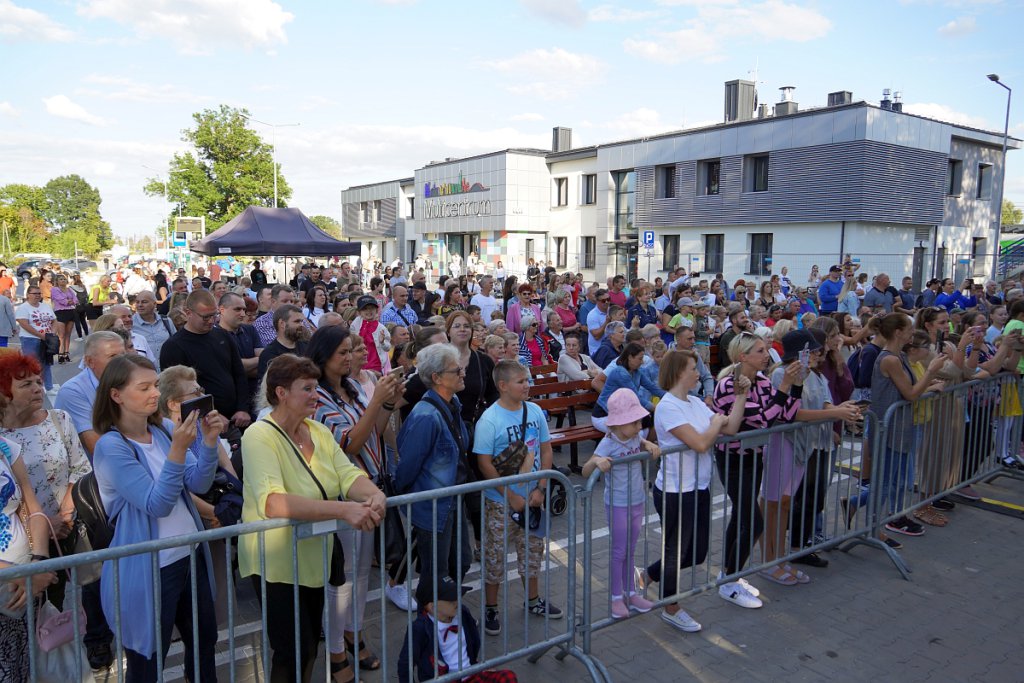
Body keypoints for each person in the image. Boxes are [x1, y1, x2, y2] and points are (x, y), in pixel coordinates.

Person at [239, 353, 386, 683]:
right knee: (291, 651)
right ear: (281, 393)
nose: (315, 395)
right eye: (306, 388)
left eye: (316, 387)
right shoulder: (259, 435)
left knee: (307, 647)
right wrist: (345, 509)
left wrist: (373, 495)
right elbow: (273, 502)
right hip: (276, 560)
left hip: (313, 553)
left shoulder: (317, 430)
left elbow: (347, 473)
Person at [92, 354, 223, 681]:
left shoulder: (163, 429)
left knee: (204, 643)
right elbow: (157, 504)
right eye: (144, 387)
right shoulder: (111, 446)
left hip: (190, 557)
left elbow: (199, 483)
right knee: (148, 661)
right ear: (116, 395)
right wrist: (179, 450)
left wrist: (208, 443)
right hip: (151, 569)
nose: (155, 393)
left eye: (155, 385)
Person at [306, 326, 405, 679]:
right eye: (342, 353)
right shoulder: (315, 398)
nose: (350, 358)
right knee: (341, 579)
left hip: (368, 488)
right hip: (342, 496)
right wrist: (377, 399)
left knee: (362, 575)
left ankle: (354, 632)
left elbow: (374, 432)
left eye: (351, 351)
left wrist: (388, 401)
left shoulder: (350, 389)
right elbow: (349, 444)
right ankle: (336, 651)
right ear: (322, 357)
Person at [635, 350, 748, 632]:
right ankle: (670, 607)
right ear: (678, 373)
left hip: (699, 486)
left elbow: (731, 426)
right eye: (693, 369)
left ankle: (647, 574)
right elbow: (699, 443)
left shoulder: (696, 402)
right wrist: (715, 423)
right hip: (675, 489)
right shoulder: (668, 406)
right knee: (675, 551)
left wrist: (741, 397)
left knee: (697, 553)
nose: (699, 373)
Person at [760, 330, 860, 585]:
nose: (820, 353)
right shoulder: (782, 374)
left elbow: (822, 404)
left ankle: (780, 559)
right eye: (814, 351)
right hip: (785, 443)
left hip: (803, 446)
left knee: (784, 503)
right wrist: (836, 414)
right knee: (773, 503)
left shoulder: (814, 375)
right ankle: (768, 561)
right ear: (800, 354)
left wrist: (839, 409)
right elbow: (791, 414)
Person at [711, 331, 803, 609]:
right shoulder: (730, 385)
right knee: (754, 521)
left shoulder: (761, 381)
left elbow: (785, 415)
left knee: (742, 516)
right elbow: (761, 423)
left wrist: (795, 387)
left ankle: (728, 573)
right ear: (743, 356)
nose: (768, 355)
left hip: (754, 457)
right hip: (735, 460)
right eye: (761, 351)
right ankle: (729, 580)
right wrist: (785, 387)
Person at [473, 360, 562, 637]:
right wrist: (510, 496)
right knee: (495, 556)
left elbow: (546, 449)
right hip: (500, 503)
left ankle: (534, 600)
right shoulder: (490, 420)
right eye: (521, 381)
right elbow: (484, 463)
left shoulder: (534, 410)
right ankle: (490, 607)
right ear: (503, 386)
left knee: (533, 551)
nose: (528, 385)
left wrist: (541, 487)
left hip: (533, 498)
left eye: (527, 380)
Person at [582, 389, 660, 620]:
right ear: (619, 422)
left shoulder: (635, 436)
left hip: (637, 500)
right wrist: (597, 461)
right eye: (635, 422)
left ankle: (631, 593)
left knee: (631, 549)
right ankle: (616, 596)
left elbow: (641, 439)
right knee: (619, 551)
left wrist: (648, 444)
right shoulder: (608, 443)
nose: (640, 425)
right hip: (617, 504)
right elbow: (586, 470)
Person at [0, 422, 58, 683]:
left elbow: (33, 508)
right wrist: (18, 574)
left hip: (22, 592)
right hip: (15, 584)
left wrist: (39, 562)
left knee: (22, 670)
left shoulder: (6, 448)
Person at [160, 289, 252, 433]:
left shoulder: (223, 335)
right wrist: (210, 414)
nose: (211, 321)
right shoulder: (174, 346)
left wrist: (243, 408)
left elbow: (239, 374)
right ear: (188, 312)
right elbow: (178, 392)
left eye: (214, 315)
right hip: (203, 424)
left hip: (237, 419)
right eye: (205, 317)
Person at [397, 577, 519, 683]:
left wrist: (478, 666)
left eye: (457, 596)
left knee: (508, 677)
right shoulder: (419, 628)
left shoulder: (463, 613)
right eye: (451, 600)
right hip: (444, 680)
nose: (457, 602)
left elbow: (472, 645)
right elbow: (405, 664)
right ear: (432, 607)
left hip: (470, 674)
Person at [592, 342, 664, 433]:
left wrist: (670, 397)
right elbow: (636, 397)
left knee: (648, 424)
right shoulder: (620, 373)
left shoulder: (637, 371)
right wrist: (655, 407)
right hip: (604, 415)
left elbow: (653, 388)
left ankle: (643, 446)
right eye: (640, 359)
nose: (642, 362)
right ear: (630, 357)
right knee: (638, 430)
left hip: (621, 413)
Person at [16, 285, 56, 391]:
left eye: (39, 293)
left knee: (46, 363)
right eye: (35, 293)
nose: (38, 295)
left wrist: (52, 333)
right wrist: (40, 335)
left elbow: (54, 320)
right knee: (31, 364)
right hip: (30, 339)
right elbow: (24, 324)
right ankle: (32, 387)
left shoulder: (45, 306)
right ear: (28, 295)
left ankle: (48, 387)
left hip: (46, 339)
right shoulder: (23, 308)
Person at [258, 304, 311, 380]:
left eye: (302, 321)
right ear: (282, 324)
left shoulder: (307, 346)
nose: (301, 325)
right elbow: (266, 387)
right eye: (297, 321)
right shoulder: (269, 354)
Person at [350, 295, 391, 374]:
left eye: (372, 308)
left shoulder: (381, 328)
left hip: (375, 365)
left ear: (376, 310)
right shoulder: (356, 323)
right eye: (365, 309)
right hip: (359, 364)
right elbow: (351, 340)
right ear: (359, 312)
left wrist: (382, 342)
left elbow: (387, 347)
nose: (369, 311)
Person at [132, 290, 174, 363]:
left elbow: (175, 342)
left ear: (154, 304)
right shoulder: (131, 323)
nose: (140, 305)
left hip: (167, 368)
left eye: (144, 302)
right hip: (144, 369)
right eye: (137, 302)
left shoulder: (166, 321)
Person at [50, 273, 77, 363]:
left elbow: (75, 300)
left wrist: (70, 301)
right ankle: (60, 354)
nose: (63, 281)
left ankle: (66, 353)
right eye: (61, 279)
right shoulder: (55, 289)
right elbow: (61, 300)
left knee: (68, 334)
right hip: (60, 312)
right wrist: (68, 301)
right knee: (61, 335)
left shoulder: (69, 289)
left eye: (64, 279)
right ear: (57, 281)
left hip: (70, 312)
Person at [586, 289, 612, 356]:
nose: (606, 302)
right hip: (597, 352)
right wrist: (606, 322)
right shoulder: (592, 315)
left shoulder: (611, 310)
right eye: (603, 301)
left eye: (608, 299)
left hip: (610, 349)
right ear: (597, 301)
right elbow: (596, 336)